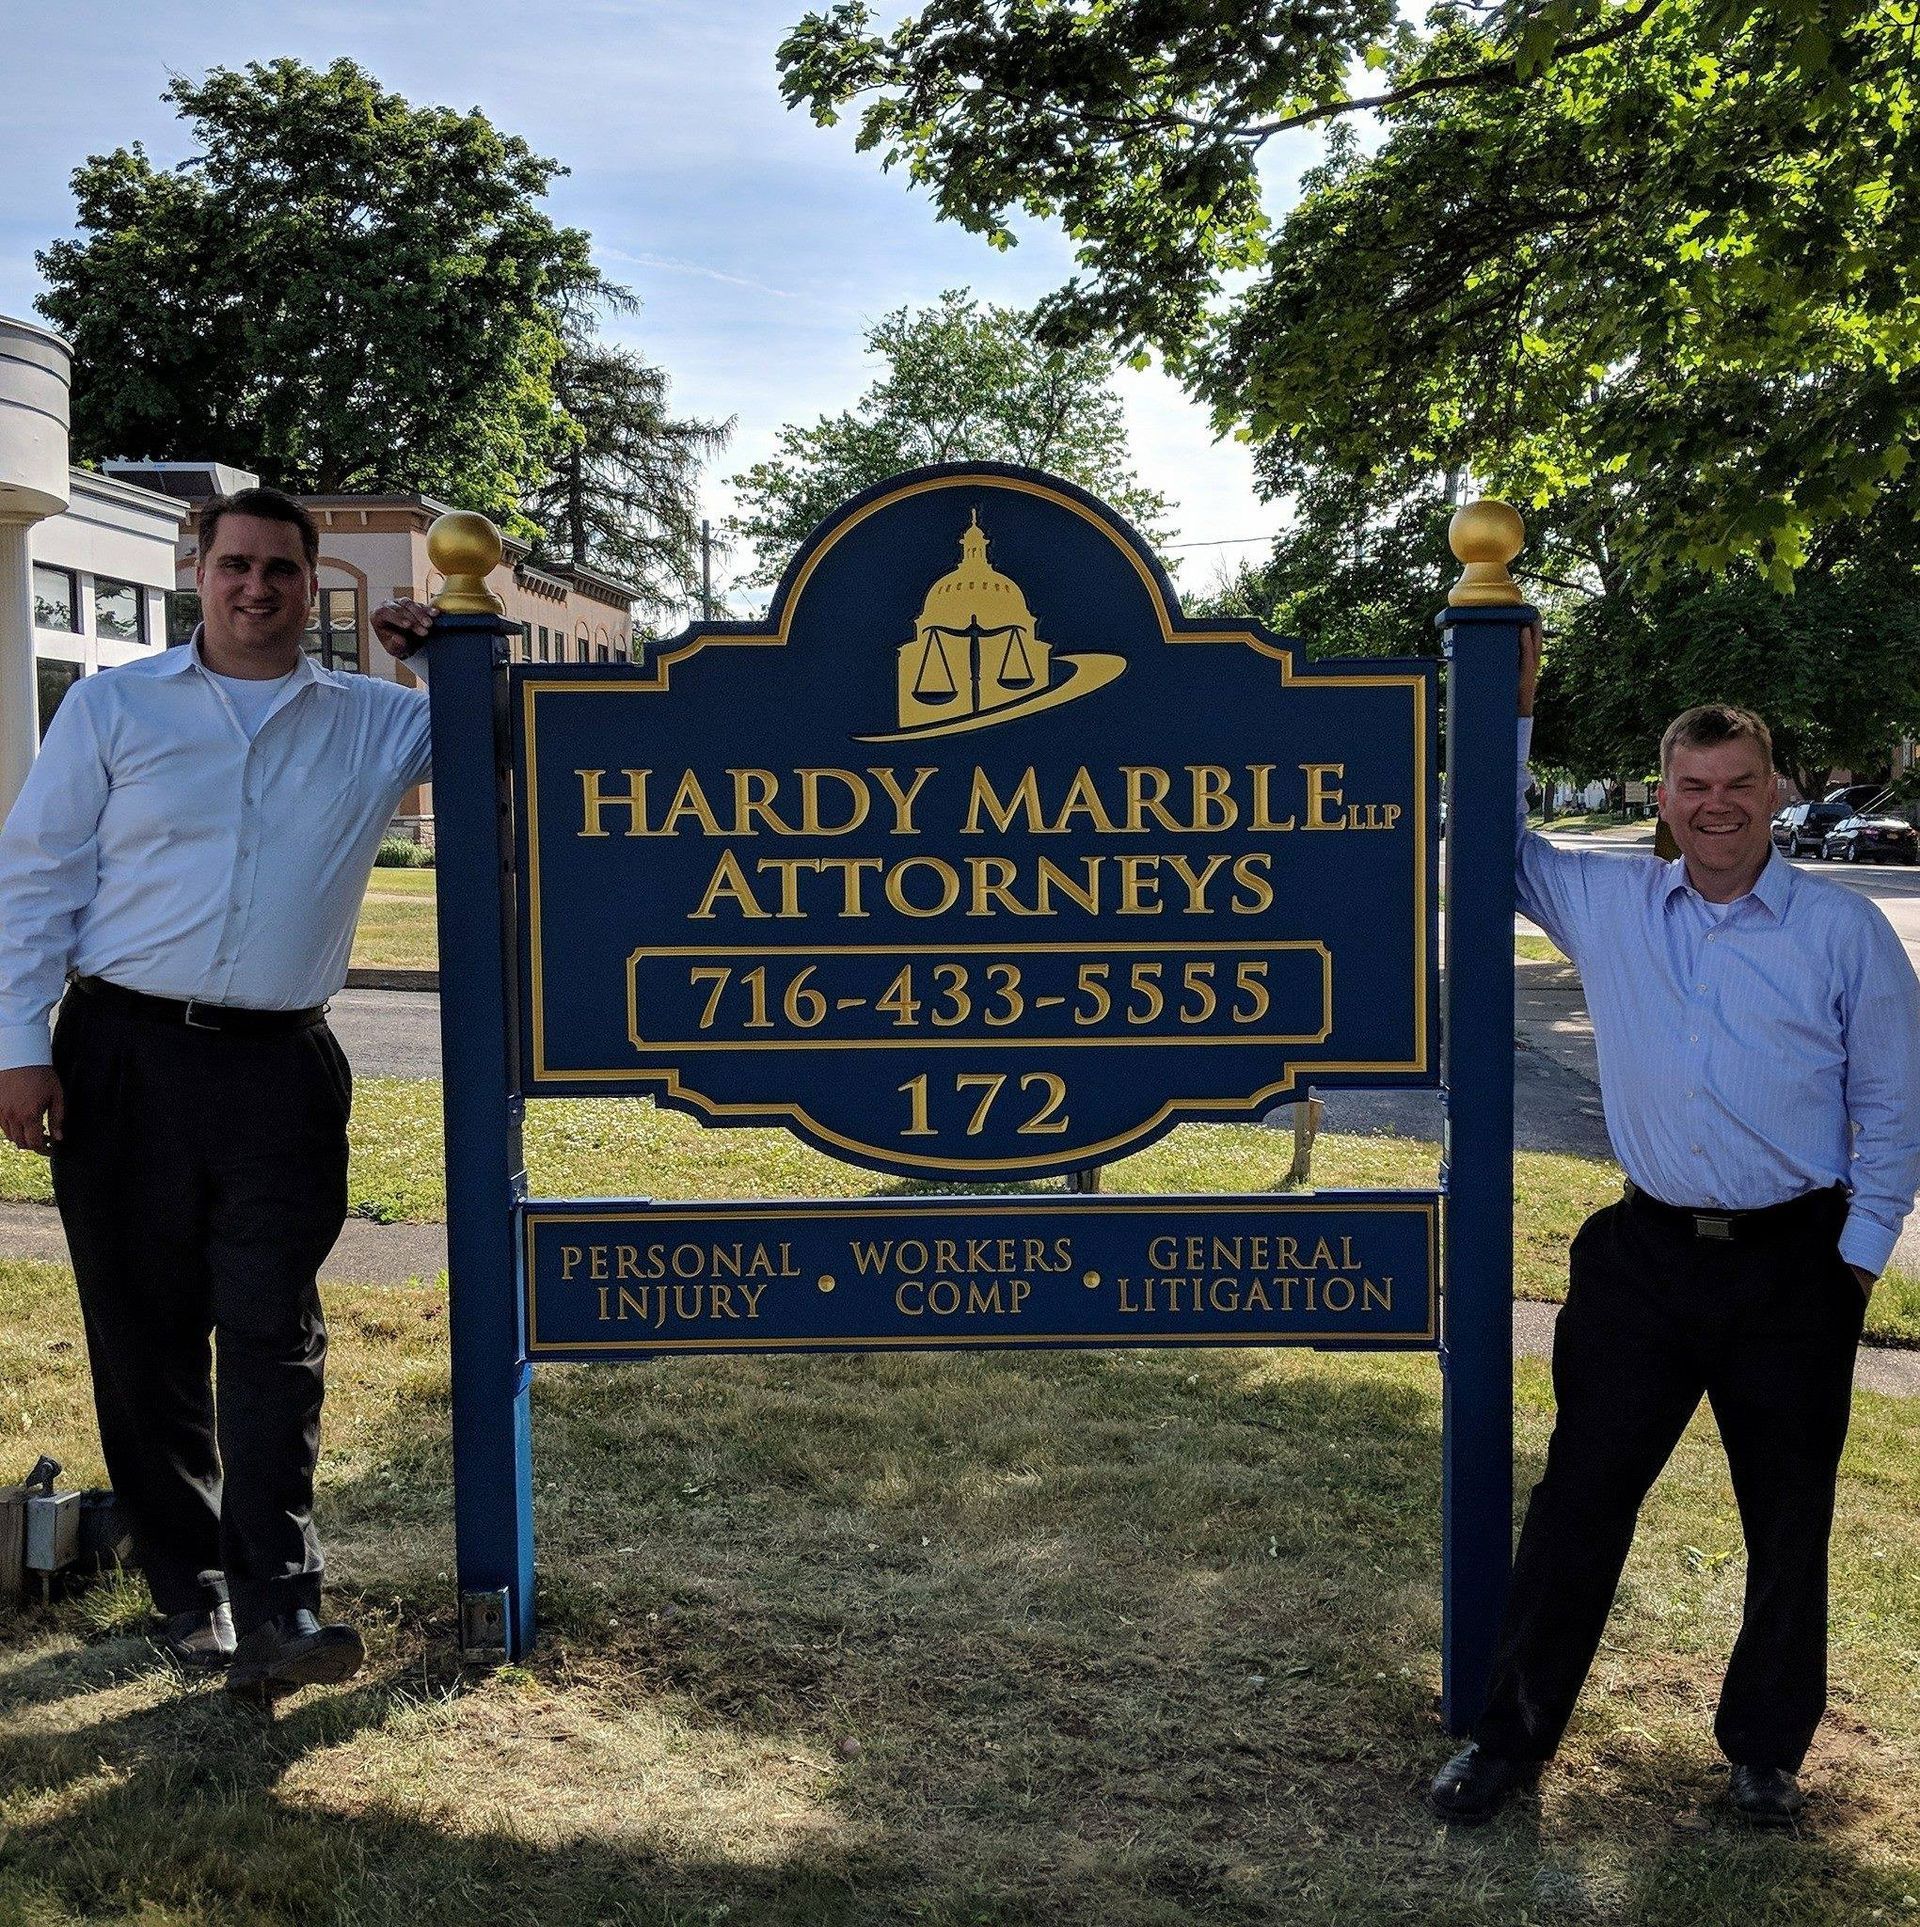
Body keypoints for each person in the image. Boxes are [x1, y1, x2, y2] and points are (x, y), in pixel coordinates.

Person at [1428, 626, 1920, 1827]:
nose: (1716, 809)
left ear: (1776, 792)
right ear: (1663, 797)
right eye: (1693, 789)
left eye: (1739, 786)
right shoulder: (1605, 900)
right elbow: (1483, 840)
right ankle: (1511, 1741)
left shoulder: (1840, 931)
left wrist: (1854, 1266)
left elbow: (1895, 1107)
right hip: (1642, 1258)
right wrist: (1516, 710)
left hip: (1793, 1265)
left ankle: (1765, 1753)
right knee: (1579, 1498)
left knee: (1787, 1514)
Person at [0, 487, 438, 1697]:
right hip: (121, 1056)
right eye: (236, 566)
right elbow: (34, 879)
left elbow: (509, 740)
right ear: (199, 571)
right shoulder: (111, 707)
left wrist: (443, 647)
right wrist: (16, 1046)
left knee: (272, 1338)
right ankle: (192, 1594)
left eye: (282, 571)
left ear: (315, 585)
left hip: (279, 1070)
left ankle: (283, 1606)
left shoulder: (372, 722)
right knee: (143, 1341)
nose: (257, 588)